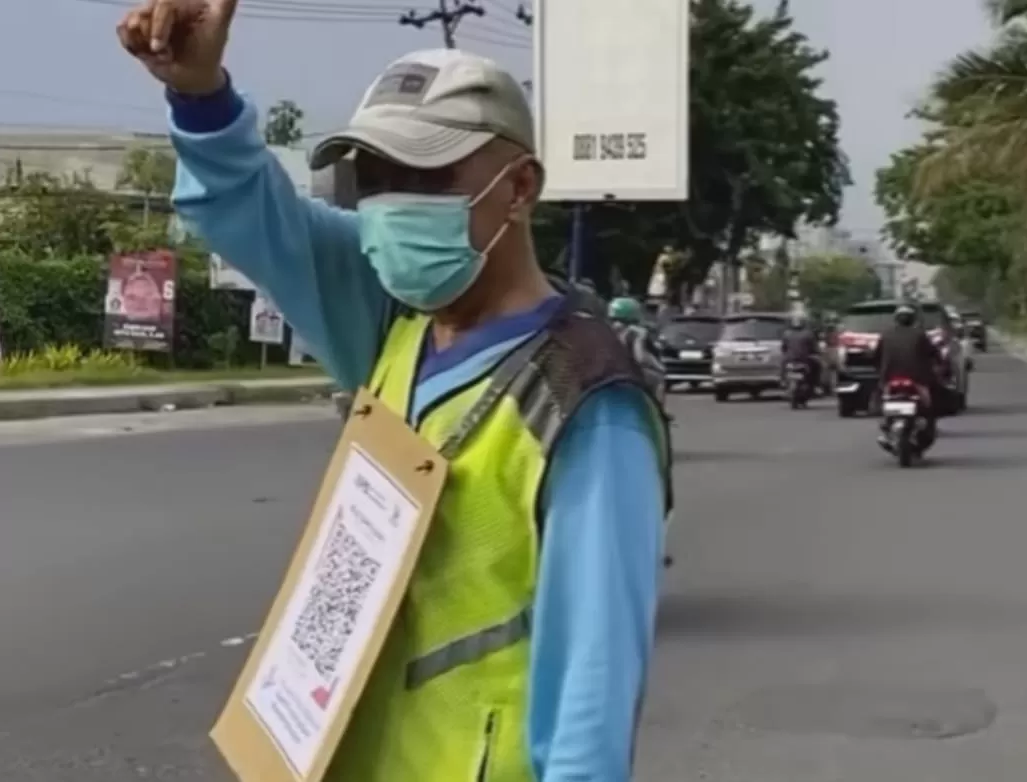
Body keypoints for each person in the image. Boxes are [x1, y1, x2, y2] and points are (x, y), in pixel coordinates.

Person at [116, 1, 669, 779]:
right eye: (373, 176)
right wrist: (200, 95)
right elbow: (257, 215)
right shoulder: (392, 317)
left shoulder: (587, 400)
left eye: (426, 175)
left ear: (519, 188)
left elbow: (593, 690)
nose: (391, 203)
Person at [875, 303, 940, 447]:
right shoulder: (919, 334)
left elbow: (876, 356)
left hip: (890, 378)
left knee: (881, 399)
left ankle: (887, 426)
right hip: (917, 379)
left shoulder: (886, 335)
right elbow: (933, 354)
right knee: (929, 406)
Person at [780, 313, 821, 390]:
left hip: (790, 358)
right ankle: (817, 385)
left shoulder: (786, 333)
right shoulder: (808, 334)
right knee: (818, 366)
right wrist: (816, 353)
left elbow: (783, 348)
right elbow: (814, 347)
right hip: (805, 358)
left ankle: (783, 381)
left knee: (782, 364)